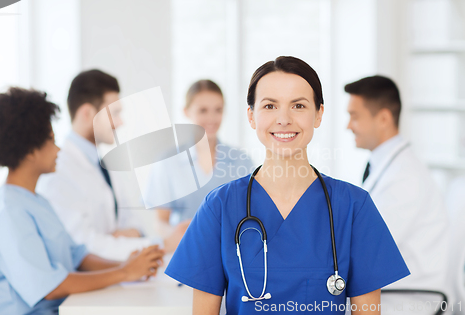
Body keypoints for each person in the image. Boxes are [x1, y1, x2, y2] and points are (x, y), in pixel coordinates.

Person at [165, 56, 410, 314]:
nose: (283, 119)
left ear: (319, 114)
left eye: (299, 106)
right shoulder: (219, 207)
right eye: (270, 106)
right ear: (251, 116)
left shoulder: (354, 207)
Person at [0, 87, 163, 315]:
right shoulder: (8, 211)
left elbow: (77, 256)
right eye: (51, 140)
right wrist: (124, 273)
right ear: (31, 150)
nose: (58, 149)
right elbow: (49, 287)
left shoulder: (36, 201)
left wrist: (128, 266)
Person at [37, 70, 187, 261]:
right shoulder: (58, 170)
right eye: (114, 113)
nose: (120, 122)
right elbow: (82, 246)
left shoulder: (104, 165)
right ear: (87, 113)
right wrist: (161, 244)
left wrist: (116, 237)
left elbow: (135, 226)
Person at [345, 75, 449, 298]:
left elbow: (368, 248)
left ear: (383, 118)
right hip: (390, 289)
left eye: (354, 117)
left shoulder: (405, 178)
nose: (348, 126)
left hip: (407, 297)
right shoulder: (387, 166)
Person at [154, 80, 254, 227]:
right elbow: (161, 222)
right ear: (186, 112)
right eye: (203, 110)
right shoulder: (168, 161)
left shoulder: (242, 160)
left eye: (218, 110)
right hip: (184, 247)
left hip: (229, 247)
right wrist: (176, 238)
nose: (211, 118)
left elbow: (251, 213)